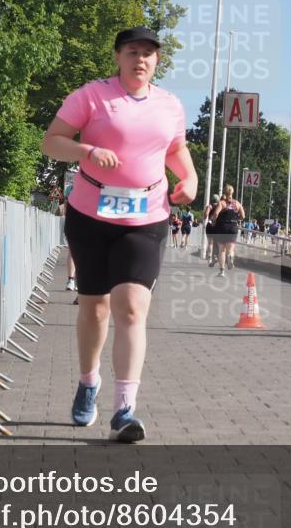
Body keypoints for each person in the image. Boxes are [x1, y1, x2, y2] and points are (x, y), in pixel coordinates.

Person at [41, 26, 197, 442]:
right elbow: (51, 142)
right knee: (94, 310)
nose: (140, 59)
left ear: (157, 62)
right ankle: (88, 381)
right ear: (118, 57)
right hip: (91, 212)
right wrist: (87, 151)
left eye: (148, 54)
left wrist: (191, 179)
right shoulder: (91, 96)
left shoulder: (169, 105)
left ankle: (124, 410)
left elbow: (176, 149)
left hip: (146, 216)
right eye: (132, 52)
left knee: (130, 308)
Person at [210, 185, 245, 277]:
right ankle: (230, 257)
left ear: (224, 193)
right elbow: (243, 216)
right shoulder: (237, 203)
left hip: (222, 227)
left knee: (222, 250)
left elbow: (216, 214)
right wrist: (237, 218)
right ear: (232, 193)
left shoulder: (222, 203)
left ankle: (222, 271)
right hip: (233, 227)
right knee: (231, 248)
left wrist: (213, 221)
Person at [61, 181, 77, 292]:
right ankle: (72, 280)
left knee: (75, 252)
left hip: (78, 222)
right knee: (73, 252)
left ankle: (72, 280)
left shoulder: (70, 188)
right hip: (75, 223)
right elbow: (66, 207)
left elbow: (66, 208)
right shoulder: (70, 189)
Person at [203, 194, 220, 266]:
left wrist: (205, 215)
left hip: (210, 225)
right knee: (217, 243)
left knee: (210, 243)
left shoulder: (209, 206)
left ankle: (209, 258)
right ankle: (215, 256)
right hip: (217, 225)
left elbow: (205, 215)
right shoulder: (219, 206)